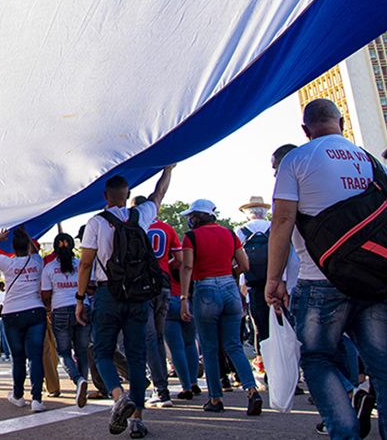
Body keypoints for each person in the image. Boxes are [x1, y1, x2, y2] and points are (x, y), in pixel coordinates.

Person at [266, 99, 387, 439]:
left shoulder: (296, 160)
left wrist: (274, 280)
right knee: (383, 367)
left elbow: (283, 220)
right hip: (375, 281)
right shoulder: (371, 162)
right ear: (342, 122)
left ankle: (344, 430)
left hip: (320, 280)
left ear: (305, 130)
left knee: (319, 359)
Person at [75, 166, 174, 439]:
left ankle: (119, 397)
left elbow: (85, 264)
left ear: (105, 196)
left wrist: (80, 299)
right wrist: (168, 169)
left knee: (103, 352)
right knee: (137, 354)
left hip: (108, 294)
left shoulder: (96, 222)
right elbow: (159, 194)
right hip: (139, 294)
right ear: (127, 194)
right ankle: (138, 421)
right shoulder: (140, 215)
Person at [178, 199, 262, 415]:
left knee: (209, 348)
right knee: (234, 345)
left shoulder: (191, 237)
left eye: (192, 216)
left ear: (198, 216)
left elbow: (187, 266)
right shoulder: (229, 234)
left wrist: (184, 297)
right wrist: (229, 274)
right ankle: (252, 390)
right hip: (229, 289)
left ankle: (215, 398)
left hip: (205, 288)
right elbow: (245, 265)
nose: (190, 220)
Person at [0, 227, 46, 409]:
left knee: (18, 358)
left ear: (12, 247)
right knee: (35, 357)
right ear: (28, 246)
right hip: (36, 311)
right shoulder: (37, 261)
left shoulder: (7, 263)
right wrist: (26, 233)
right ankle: (37, 399)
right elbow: (35, 249)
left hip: (12, 314)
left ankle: (18, 395)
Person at [136, 195, 182, 408]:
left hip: (144, 283)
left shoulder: (134, 225)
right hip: (163, 282)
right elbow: (180, 260)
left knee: (149, 337)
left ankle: (160, 389)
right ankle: (164, 386)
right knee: (159, 337)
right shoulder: (167, 228)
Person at [42, 233, 89, 408]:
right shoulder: (81, 264)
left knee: (64, 352)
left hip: (59, 310)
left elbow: (46, 294)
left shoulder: (49, 268)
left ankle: (78, 380)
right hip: (82, 307)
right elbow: (90, 287)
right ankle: (82, 381)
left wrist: (48, 309)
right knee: (82, 351)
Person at [236, 196, 273, 362]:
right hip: (274, 278)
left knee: (258, 323)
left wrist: (242, 284)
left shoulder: (241, 231)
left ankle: (262, 360)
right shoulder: (273, 228)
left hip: (253, 282)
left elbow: (239, 258)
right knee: (278, 322)